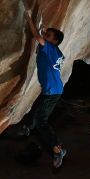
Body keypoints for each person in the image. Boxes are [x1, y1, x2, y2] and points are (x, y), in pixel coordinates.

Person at [20, 9, 67, 169]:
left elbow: (38, 38)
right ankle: (27, 127)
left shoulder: (51, 49)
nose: (45, 36)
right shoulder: (54, 50)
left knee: (42, 121)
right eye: (46, 34)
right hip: (52, 89)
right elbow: (43, 37)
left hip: (52, 91)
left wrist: (29, 20)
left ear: (54, 41)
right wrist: (44, 29)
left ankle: (57, 148)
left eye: (49, 36)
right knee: (36, 108)